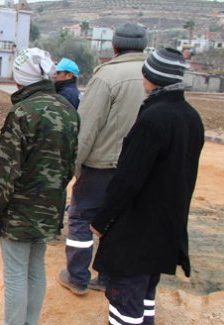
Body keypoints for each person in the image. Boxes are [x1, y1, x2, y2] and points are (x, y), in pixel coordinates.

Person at [91, 48, 203, 325]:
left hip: (136, 234)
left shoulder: (153, 120)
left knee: (125, 304)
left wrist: (101, 221)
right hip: (165, 230)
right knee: (144, 300)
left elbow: (128, 180)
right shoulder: (191, 117)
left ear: (151, 76)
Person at [0, 48, 79, 325]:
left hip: (19, 211)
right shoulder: (69, 110)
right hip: (49, 208)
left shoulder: (23, 112)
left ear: (21, 79)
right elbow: (71, 164)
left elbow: (7, 170)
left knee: (15, 275)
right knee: (36, 269)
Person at [58, 22, 148, 296]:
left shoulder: (107, 76)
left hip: (101, 167)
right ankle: (107, 276)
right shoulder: (153, 74)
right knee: (117, 221)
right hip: (136, 168)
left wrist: (72, 168)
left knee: (81, 219)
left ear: (115, 46)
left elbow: (86, 128)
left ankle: (78, 277)